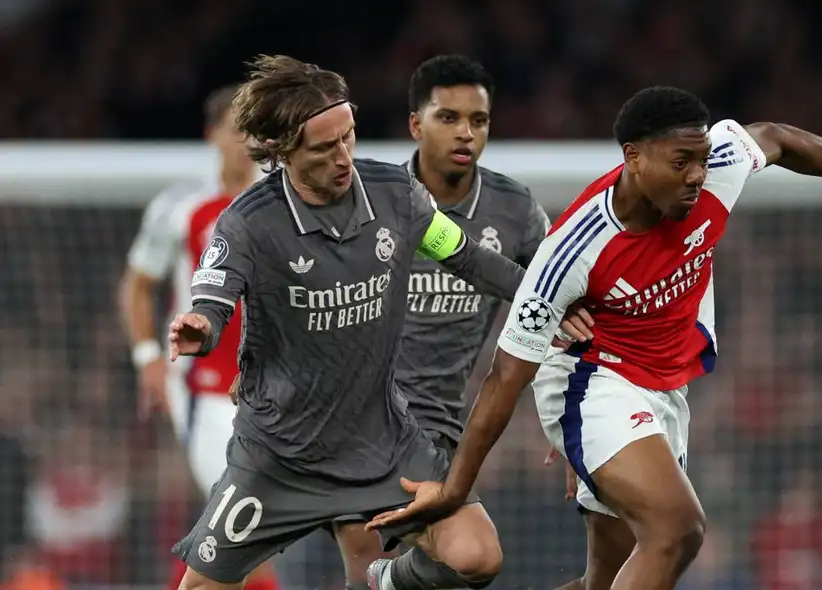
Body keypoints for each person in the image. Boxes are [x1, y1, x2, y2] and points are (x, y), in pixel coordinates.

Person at [364, 85, 822, 590]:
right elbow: (504, 378)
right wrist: (455, 488)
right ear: (633, 158)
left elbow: (777, 137)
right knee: (678, 529)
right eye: (680, 163)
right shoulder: (572, 249)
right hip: (592, 383)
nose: (697, 174)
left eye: (700, 159)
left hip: (665, 390)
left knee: (609, 579)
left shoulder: (716, 165)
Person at [166, 54, 590, 590]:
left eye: (349, 137)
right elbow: (215, 290)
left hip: (382, 443)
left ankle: (385, 582)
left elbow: (464, 256)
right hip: (279, 454)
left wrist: (547, 301)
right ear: (284, 153)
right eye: (325, 148)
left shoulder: (395, 195)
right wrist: (201, 326)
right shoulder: (250, 220)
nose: (344, 157)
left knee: (476, 556)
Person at [312, 54, 563, 590]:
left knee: (474, 560)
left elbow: (556, 312)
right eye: (448, 117)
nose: (466, 133)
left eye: (479, 120)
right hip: (353, 418)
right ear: (415, 124)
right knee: (360, 566)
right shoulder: (367, 201)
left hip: (439, 431)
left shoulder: (515, 211)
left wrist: (569, 429)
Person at [118, 86, 281, 590]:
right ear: (212, 135)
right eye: (237, 129)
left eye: (256, 131)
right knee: (239, 513)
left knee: (247, 525)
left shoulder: (286, 200)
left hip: (279, 385)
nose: (246, 141)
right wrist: (147, 357)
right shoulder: (182, 206)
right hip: (203, 387)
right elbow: (138, 285)